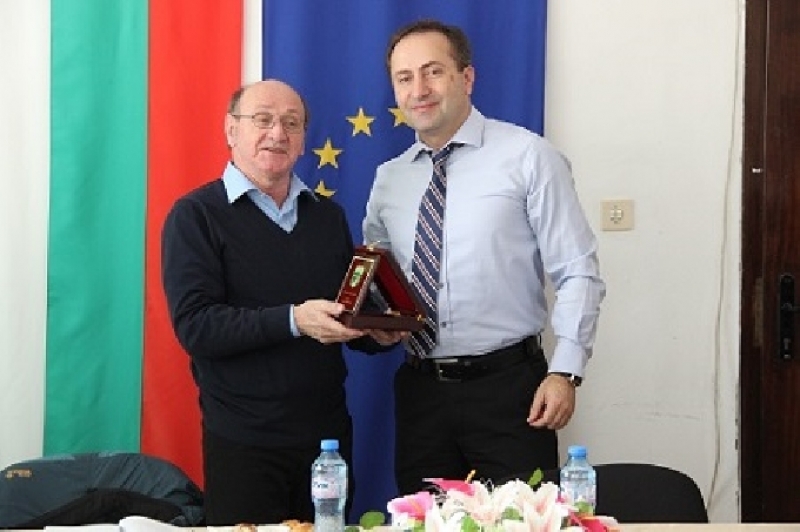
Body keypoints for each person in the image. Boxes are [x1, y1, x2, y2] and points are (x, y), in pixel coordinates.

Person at [363, 20, 606, 495]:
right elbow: (379, 276)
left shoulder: (528, 156)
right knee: (423, 523)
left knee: (522, 521)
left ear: (466, 78)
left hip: (510, 392)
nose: (419, 90)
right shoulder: (389, 179)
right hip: (420, 394)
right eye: (404, 78)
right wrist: (377, 320)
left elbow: (577, 270)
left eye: (433, 72)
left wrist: (566, 371)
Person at [162, 80, 403, 524]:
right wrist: (294, 320)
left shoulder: (327, 217)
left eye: (292, 123)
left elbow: (341, 314)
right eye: (263, 120)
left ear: (303, 139)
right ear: (231, 130)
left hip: (327, 445)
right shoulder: (195, 216)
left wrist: (378, 333)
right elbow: (197, 326)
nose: (277, 133)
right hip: (244, 444)